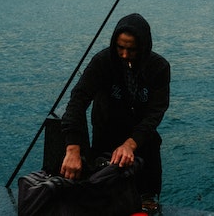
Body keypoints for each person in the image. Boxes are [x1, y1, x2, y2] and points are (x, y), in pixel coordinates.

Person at [60, 13, 170, 212]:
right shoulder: (102, 62)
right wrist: (72, 148)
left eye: (132, 49)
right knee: (106, 200)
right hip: (105, 139)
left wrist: (130, 143)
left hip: (144, 144)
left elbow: (156, 112)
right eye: (120, 47)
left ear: (144, 47)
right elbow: (77, 101)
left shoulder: (159, 67)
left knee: (145, 205)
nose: (125, 55)